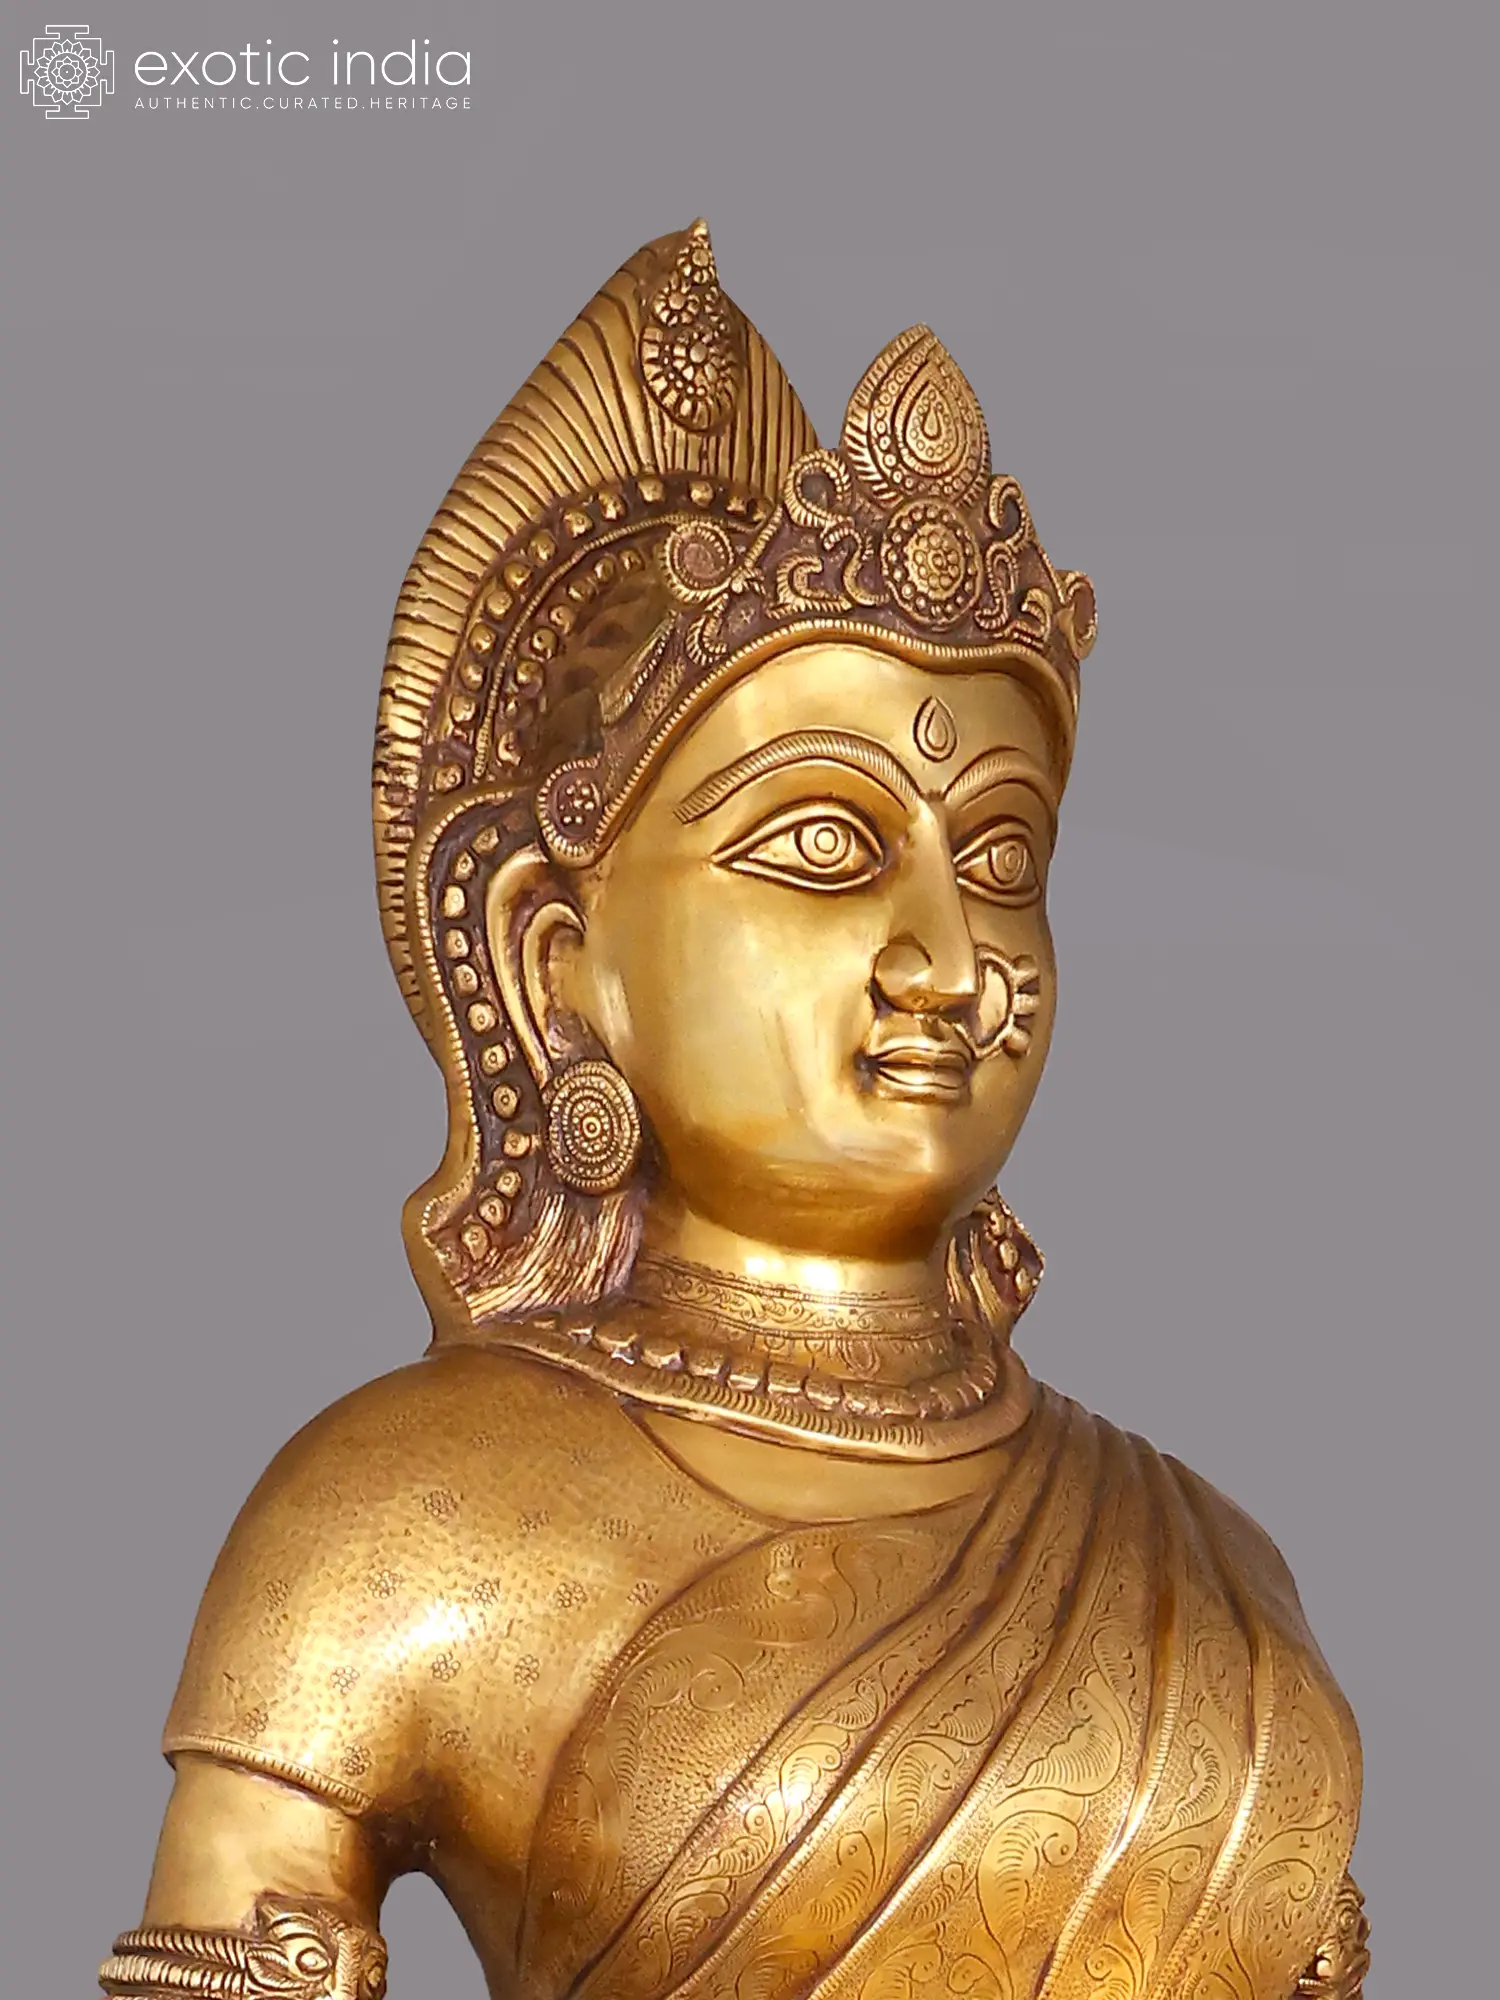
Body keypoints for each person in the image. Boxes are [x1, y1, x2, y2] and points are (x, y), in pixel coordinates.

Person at [98, 223, 1367, 2000]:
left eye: (1001, 862)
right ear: (559, 960)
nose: (948, 961)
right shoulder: (403, 1521)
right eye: (826, 847)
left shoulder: (1207, 1567)